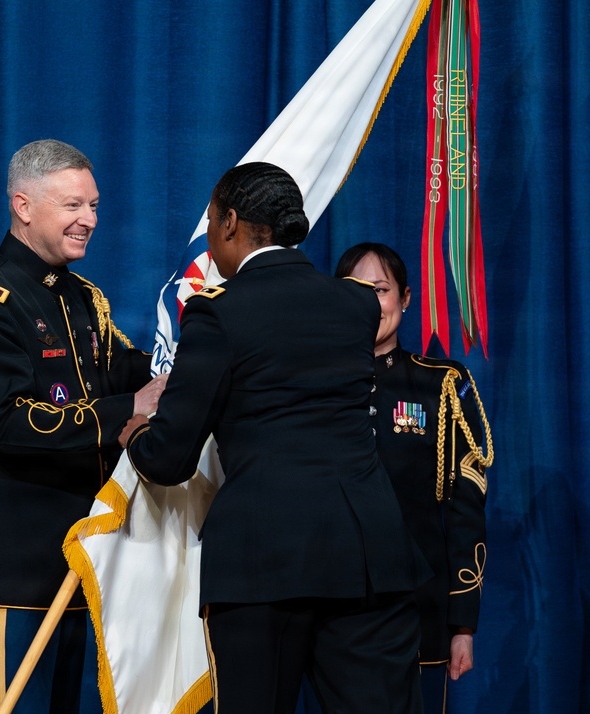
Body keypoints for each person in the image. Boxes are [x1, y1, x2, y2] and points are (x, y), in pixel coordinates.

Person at [119, 162, 430, 714]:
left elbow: (169, 459)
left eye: (212, 222)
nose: (210, 237)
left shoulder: (216, 313)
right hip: (367, 553)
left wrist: (138, 432)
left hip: (263, 563)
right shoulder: (356, 303)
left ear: (231, 222)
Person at [0, 139, 166, 714]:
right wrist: (124, 413)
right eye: (72, 206)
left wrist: (204, 358)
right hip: (13, 575)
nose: (88, 220)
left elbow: (134, 370)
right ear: (23, 205)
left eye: (93, 206)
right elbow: (7, 423)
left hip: (80, 565)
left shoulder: (84, 300)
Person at [333, 243, 492, 713]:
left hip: (416, 610)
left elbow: (465, 510)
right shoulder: (309, 385)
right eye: (354, 290)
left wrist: (462, 624)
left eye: (379, 290)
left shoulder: (440, 384)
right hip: (327, 613)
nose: (367, 302)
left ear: (404, 298)